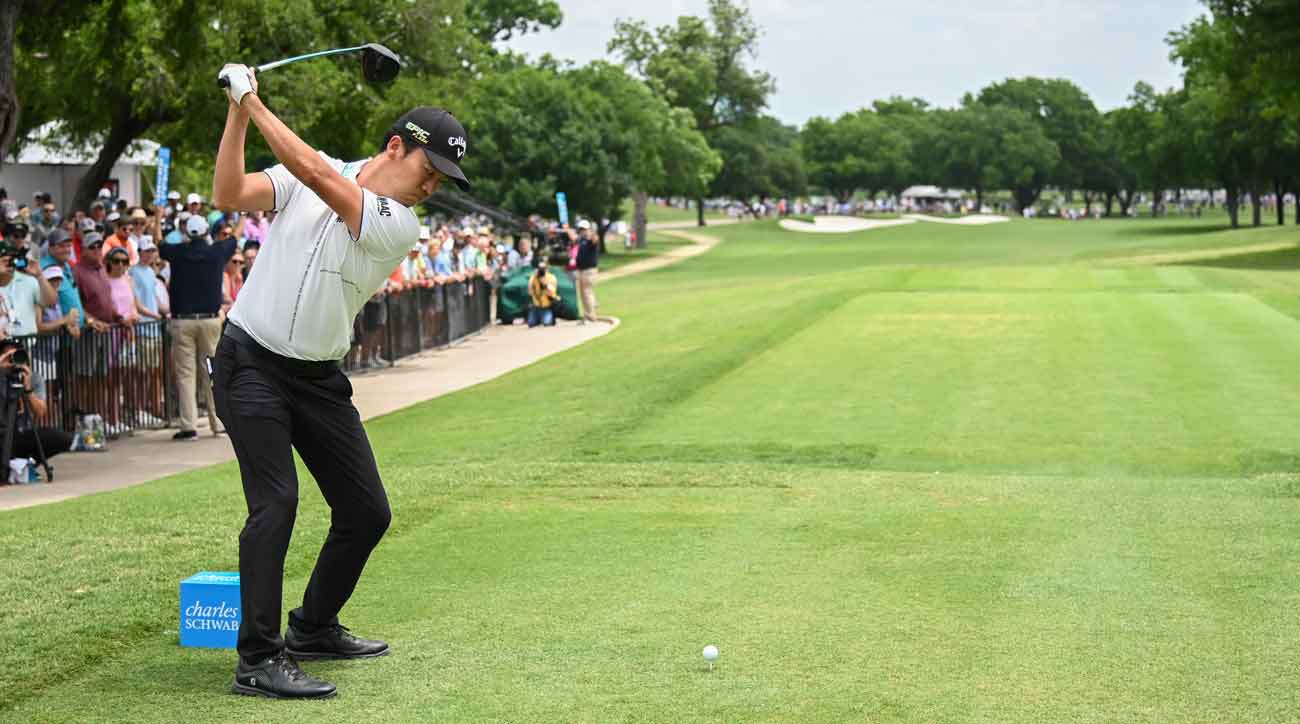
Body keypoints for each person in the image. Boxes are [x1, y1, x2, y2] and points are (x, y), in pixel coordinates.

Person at [210, 63, 470, 699]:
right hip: (250, 363)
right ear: (394, 147)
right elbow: (229, 194)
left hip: (319, 379)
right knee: (276, 504)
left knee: (366, 511)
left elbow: (319, 175)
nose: (431, 186)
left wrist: (253, 97)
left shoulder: (398, 221)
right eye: (427, 169)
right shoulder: (313, 173)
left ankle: (314, 626)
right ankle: (258, 660)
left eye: (441, 179)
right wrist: (237, 112)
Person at [160, 212, 233, 441]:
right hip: (210, 320)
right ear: (205, 232)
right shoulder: (216, 252)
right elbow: (234, 237)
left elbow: (160, 244)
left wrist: (157, 219)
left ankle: (189, 426)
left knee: (185, 374)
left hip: (183, 320)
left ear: (186, 233)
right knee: (211, 371)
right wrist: (236, 214)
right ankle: (219, 424)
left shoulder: (178, 252)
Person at [574, 219, 599, 323]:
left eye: (584, 229)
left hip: (589, 270)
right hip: (581, 270)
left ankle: (590, 316)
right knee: (584, 293)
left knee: (587, 292)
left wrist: (591, 234)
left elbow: (594, 240)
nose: (582, 231)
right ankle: (589, 311)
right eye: (580, 229)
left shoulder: (590, 240)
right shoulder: (581, 241)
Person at [527, 261, 559, 327]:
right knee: (531, 324)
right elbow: (530, 292)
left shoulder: (551, 277)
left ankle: (551, 318)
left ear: (546, 269)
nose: (541, 270)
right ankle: (538, 319)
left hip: (546, 307)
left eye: (543, 268)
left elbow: (552, 292)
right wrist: (533, 279)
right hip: (536, 307)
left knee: (547, 324)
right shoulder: (534, 278)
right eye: (540, 268)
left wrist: (544, 283)